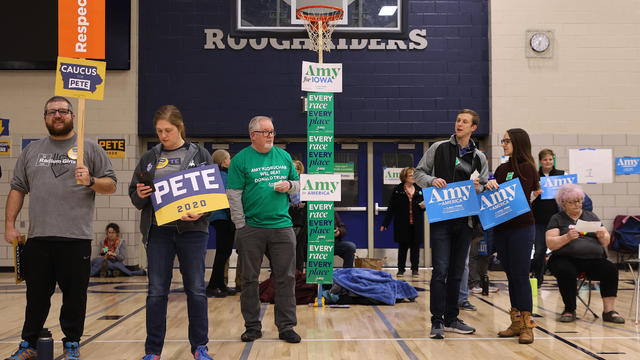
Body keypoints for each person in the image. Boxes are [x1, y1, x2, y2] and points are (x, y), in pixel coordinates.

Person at [4, 96, 117, 360]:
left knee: (74, 298)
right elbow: (17, 189)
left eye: (64, 111)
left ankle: (72, 344)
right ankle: (29, 344)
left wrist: (90, 181)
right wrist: (9, 224)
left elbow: (111, 185)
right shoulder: (32, 151)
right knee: (36, 298)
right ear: (45, 117)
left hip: (75, 238)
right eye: (52, 111)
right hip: (39, 239)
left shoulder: (90, 148)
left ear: (73, 116)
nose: (58, 115)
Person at [129, 105, 215, 360]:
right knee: (156, 292)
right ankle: (153, 351)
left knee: (196, 290)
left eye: (168, 130)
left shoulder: (200, 155)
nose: (163, 135)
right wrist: (141, 195)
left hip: (193, 232)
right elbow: (135, 197)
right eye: (159, 131)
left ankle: (200, 347)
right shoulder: (149, 158)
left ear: (180, 128)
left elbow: (212, 196)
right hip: (159, 233)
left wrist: (202, 212)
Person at [414, 109, 488, 340]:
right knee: (440, 272)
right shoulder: (438, 148)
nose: (460, 124)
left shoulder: (480, 157)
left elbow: (484, 184)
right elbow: (418, 173)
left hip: (465, 222)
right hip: (442, 220)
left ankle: (452, 319)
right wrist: (431, 180)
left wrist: (480, 188)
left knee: (457, 273)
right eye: (458, 120)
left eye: (465, 122)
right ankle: (436, 321)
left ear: (473, 127)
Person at [227, 116, 302, 344]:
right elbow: (233, 195)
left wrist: (289, 186)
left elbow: (298, 184)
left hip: (282, 226)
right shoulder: (241, 160)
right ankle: (252, 326)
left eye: (272, 132)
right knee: (249, 279)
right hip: (252, 228)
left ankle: (286, 326)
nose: (270, 135)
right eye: (265, 132)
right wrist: (241, 226)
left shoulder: (284, 156)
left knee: (286, 278)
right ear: (253, 135)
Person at [485, 128, 539, 344]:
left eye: (507, 141)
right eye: (503, 140)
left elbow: (518, 195)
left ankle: (528, 325)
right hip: (502, 228)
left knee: (520, 276)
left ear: (518, 142)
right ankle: (515, 321)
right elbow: (494, 194)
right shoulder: (501, 168)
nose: (503, 144)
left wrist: (496, 188)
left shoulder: (527, 167)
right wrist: (485, 186)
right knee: (510, 276)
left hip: (522, 228)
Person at [546, 184, 625, 324]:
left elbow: (606, 242)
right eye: (573, 202)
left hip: (592, 259)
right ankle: (569, 309)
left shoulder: (591, 216)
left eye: (579, 200)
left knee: (610, 269)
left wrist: (602, 236)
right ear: (563, 203)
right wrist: (566, 237)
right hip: (565, 258)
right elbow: (550, 243)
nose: (577, 204)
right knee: (565, 270)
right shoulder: (557, 218)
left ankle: (609, 311)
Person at [380, 167, 425, 277]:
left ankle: (415, 269)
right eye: (410, 175)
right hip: (402, 223)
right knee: (403, 247)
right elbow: (391, 208)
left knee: (415, 247)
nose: (413, 177)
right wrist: (385, 223)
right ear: (404, 177)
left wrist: (424, 206)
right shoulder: (398, 190)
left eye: (414, 175)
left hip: (416, 223)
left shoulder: (419, 189)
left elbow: (424, 206)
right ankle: (401, 269)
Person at [530, 148, 564, 288]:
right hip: (539, 221)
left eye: (550, 159)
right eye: (545, 160)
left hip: (557, 221)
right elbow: (528, 199)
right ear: (540, 162)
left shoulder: (562, 175)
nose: (548, 162)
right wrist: (535, 194)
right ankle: (538, 279)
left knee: (561, 252)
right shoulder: (535, 177)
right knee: (539, 252)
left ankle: (563, 279)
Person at [206, 149, 237, 298]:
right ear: (224, 161)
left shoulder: (216, 174)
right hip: (224, 217)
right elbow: (228, 197)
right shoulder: (224, 175)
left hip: (217, 217)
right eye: (229, 158)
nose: (230, 161)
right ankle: (213, 286)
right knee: (222, 253)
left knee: (223, 252)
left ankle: (219, 284)